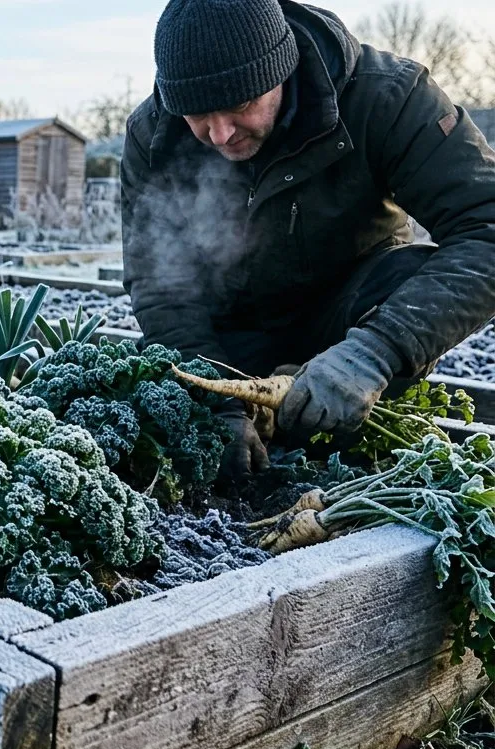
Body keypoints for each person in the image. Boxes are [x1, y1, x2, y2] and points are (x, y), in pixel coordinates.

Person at [121, 0, 495, 477]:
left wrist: (375, 351)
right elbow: (160, 283)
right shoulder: (153, 134)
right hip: (235, 340)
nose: (218, 134)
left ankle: (349, 402)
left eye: (239, 106)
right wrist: (214, 399)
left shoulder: (388, 99)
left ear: (282, 69)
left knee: (404, 275)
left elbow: (487, 224)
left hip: (345, 322)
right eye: (197, 115)